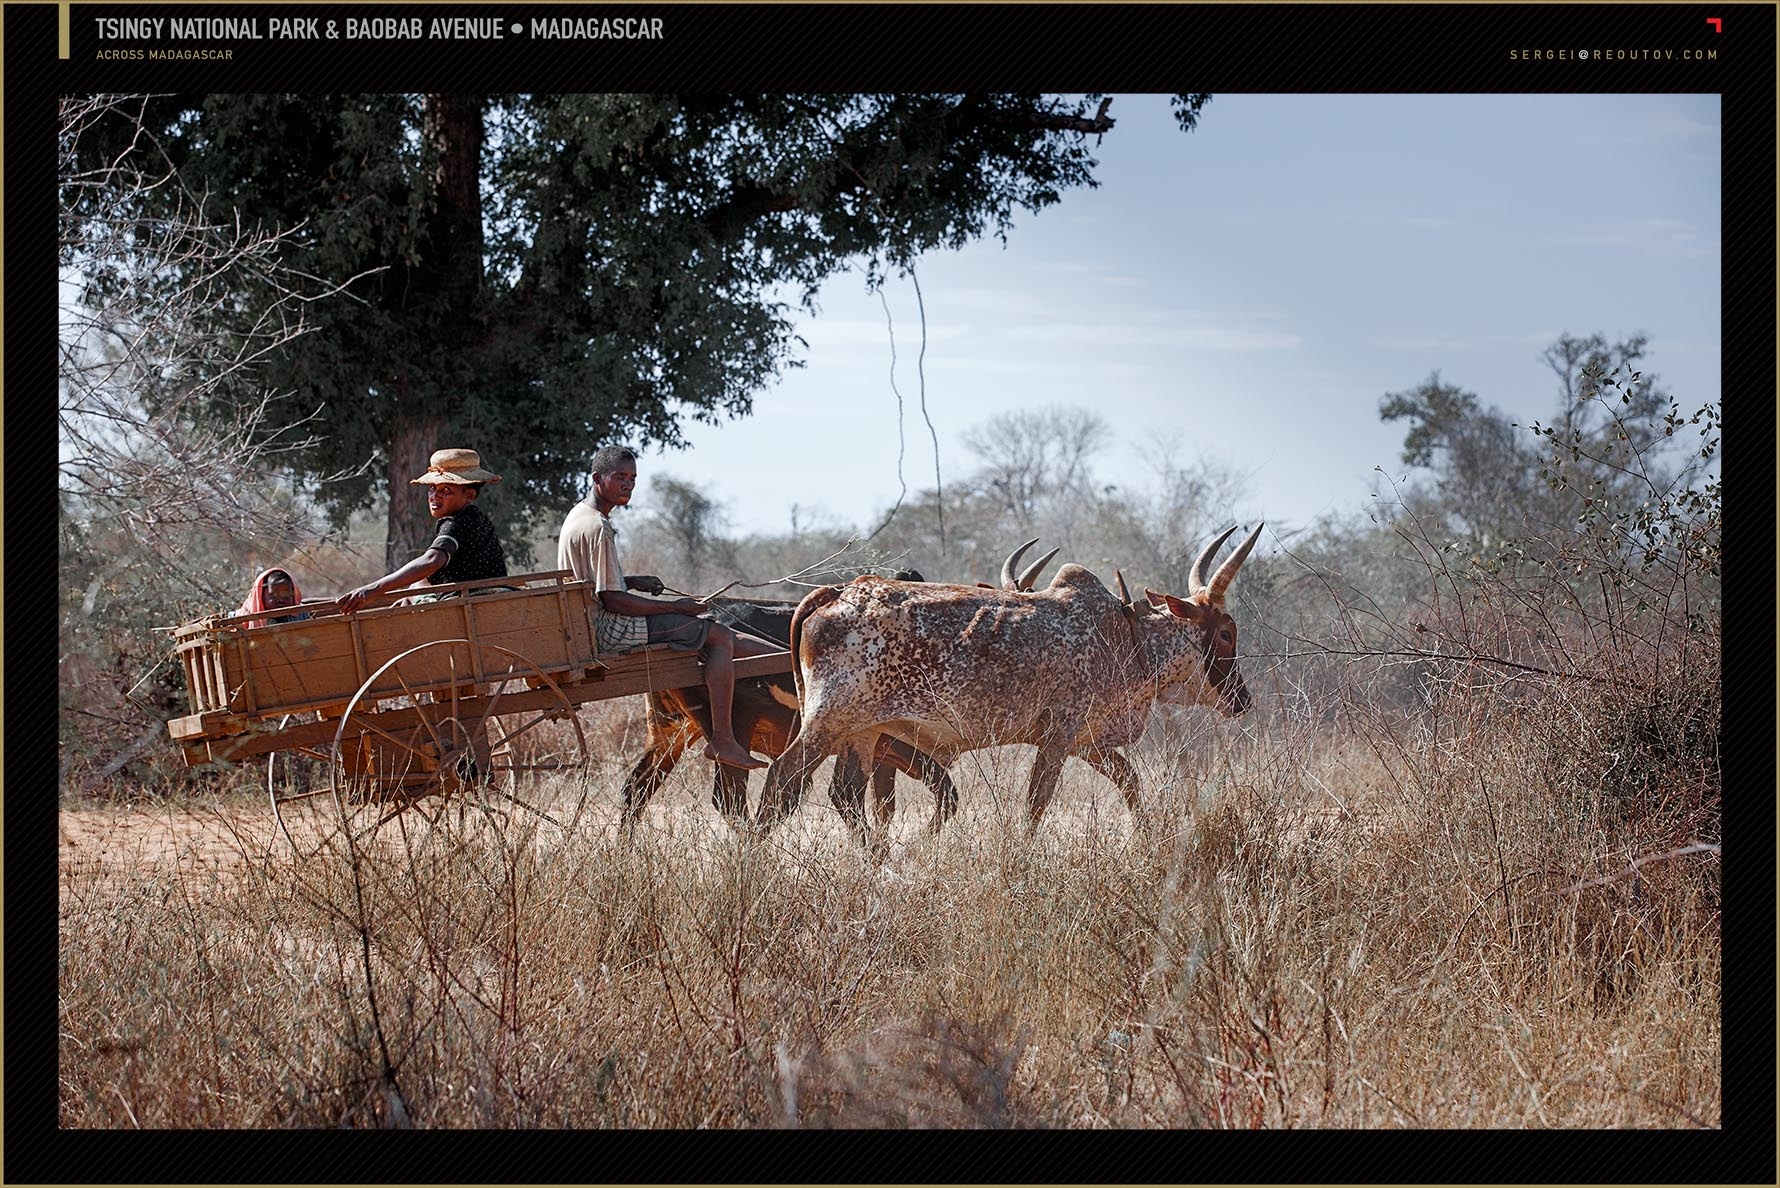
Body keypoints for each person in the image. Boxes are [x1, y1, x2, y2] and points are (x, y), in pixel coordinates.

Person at [558, 445, 770, 771]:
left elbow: (593, 583)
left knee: (722, 635)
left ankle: (786, 657)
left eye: (632, 478)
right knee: (718, 637)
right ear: (597, 478)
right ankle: (724, 741)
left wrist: (632, 580)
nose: (627, 484)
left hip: (590, 621)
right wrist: (677, 609)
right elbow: (612, 601)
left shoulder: (579, 515)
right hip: (606, 629)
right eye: (619, 477)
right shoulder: (599, 528)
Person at [337, 448, 509, 614]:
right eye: (432, 488)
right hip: (487, 599)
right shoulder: (478, 519)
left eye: (446, 490)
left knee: (417, 585)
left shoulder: (456, 522)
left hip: (466, 603)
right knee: (419, 583)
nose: (435, 496)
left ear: (469, 496)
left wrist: (374, 588)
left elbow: (432, 561)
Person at [237, 567, 312, 629]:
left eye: (286, 595)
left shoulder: (301, 615)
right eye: (273, 595)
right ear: (260, 596)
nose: (280, 600)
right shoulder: (243, 618)